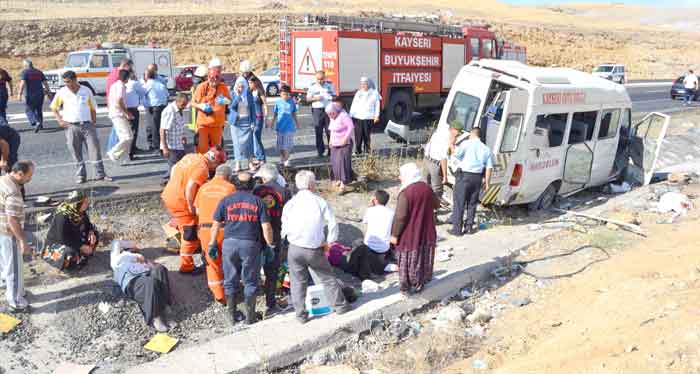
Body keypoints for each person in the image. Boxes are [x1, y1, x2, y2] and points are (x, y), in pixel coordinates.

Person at [281, 170, 351, 324]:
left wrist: (287, 240)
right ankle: (340, 306)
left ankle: (301, 315)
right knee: (327, 277)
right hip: (314, 248)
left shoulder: (290, 204)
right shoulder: (319, 201)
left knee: (298, 281)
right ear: (311, 185)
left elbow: (284, 227)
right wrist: (330, 242)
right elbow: (332, 223)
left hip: (294, 248)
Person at [209, 171, 274, 326]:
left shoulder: (225, 201)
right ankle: (250, 317)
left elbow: (216, 225)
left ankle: (231, 316)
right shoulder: (258, 202)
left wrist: (212, 243)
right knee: (250, 280)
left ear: (235, 184)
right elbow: (267, 227)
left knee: (230, 279)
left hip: (229, 244)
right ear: (252, 185)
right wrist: (270, 245)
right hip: (250, 245)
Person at [161, 146, 226, 273]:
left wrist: (175, 183)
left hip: (169, 195)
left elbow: (174, 168)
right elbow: (191, 187)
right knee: (190, 234)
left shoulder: (191, 156)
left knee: (184, 225)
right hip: (181, 201)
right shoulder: (202, 168)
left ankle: (184, 242)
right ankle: (187, 267)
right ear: (215, 161)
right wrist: (191, 206)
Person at [51, 71, 112, 184]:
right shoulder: (62, 92)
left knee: (95, 149)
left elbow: (93, 107)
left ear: (75, 80)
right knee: (75, 151)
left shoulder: (86, 90)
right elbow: (54, 107)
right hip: (71, 126)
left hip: (87, 125)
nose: (66, 84)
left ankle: (100, 174)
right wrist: (60, 120)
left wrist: (93, 122)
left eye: (68, 82)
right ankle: (81, 176)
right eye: (65, 82)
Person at [390, 163, 438, 296]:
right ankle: (420, 282)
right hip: (426, 231)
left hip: (410, 234)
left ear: (407, 175)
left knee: (408, 259)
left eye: (401, 175)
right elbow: (437, 204)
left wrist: (394, 235)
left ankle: (406, 288)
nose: (399, 178)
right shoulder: (426, 188)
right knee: (423, 257)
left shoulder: (405, 193)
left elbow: (400, 217)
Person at [252, 164, 291, 316]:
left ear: (264, 177)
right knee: (272, 270)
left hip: (257, 234)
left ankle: (253, 306)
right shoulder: (285, 191)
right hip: (276, 233)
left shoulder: (257, 190)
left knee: (253, 268)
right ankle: (270, 301)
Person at [194, 164, 235, 304]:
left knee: (212, 263)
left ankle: (220, 296)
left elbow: (197, 211)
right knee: (229, 261)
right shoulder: (230, 188)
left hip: (205, 231)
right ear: (228, 177)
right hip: (223, 230)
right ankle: (231, 290)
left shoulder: (203, 188)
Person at [111, 242, 173, 332]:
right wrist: (134, 253)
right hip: (132, 281)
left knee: (160, 269)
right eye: (130, 250)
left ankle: (165, 307)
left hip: (145, 274)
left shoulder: (139, 259)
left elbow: (153, 268)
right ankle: (155, 317)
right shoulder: (118, 260)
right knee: (149, 282)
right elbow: (116, 242)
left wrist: (146, 262)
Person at [0, 161, 34, 311]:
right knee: (14, 266)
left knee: (5, 263)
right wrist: (22, 241)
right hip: (8, 232)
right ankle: (15, 301)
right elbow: (12, 219)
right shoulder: (13, 191)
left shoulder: (3, 179)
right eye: (29, 175)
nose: (30, 179)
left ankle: (11, 287)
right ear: (20, 174)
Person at [449, 127, 493, 236]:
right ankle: (468, 228)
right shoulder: (486, 149)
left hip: (464, 176)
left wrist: (451, 144)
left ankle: (457, 230)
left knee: (459, 203)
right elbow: (489, 168)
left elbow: (456, 154)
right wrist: (487, 183)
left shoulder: (466, 144)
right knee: (472, 204)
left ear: (472, 134)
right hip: (477, 178)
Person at [42, 190, 99, 271]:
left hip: (74, 240)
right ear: (77, 204)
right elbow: (62, 238)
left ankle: (82, 255)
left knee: (95, 236)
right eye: (85, 202)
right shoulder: (62, 216)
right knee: (70, 254)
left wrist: (91, 232)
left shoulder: (79, 211)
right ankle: (70, 264)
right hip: (58, 244)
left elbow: (87, 224)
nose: (87, 204)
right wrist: (81, 246)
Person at [192, 59, 231, 154]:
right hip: (203, 125)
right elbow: (192, 103)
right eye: (212, 77)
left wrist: (225, 101)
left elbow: (229, 101)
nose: (214, 80)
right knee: (202, 149)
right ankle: (202, 167)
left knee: (216, 151)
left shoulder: (223, 87)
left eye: (216, 77)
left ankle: (214, 168)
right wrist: (201, 106)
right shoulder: (202, 87)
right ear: (208, 76)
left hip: (217, 125)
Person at [160, 93, 189, 185]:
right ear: (177, 102)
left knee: (180, 166)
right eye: (183, 104)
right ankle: (168, 182)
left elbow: (179, 124)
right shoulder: (169, 111)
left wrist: (183, 136)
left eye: (185, 104)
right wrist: (165, 148)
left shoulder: (179, 109)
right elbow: (162, 129)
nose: (184, 107)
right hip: (171, 145)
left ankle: (170, 181)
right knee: (174, 167)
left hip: (178, 144)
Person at [106, 69, 135, 164]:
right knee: (127, 137)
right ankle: (113, 152)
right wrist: (127, 113)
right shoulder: (121, 86)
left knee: (128, 135)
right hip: (118, 114)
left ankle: (124, 158)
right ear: (126, 78)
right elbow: (119, 101)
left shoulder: (114, 85)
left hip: (115, 113)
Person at [228, 80, 256, 172]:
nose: (240, 88)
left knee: (249, 144)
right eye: (238, 87)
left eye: (242, 87)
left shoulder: (248, 94)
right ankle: (238, 164)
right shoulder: (232, 94)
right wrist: (238, 96)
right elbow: (232, 106)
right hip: (236, 123)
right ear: (235, 86)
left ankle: (250, 162)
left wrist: (253, 121)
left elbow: (252, 108)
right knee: (237, 145)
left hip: (247, 121)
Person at [327, 103, 355, 193]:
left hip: (344, 143)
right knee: (335, 163)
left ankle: (343, 184)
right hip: (335, 143)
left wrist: (345, 139)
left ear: (336, 111)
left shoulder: (344, 115)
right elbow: (331, 130)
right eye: (328, 114)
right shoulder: (331, 117)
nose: (330, 116)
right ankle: (338, 179)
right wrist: (330, 141)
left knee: (342, 163)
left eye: (332, 113)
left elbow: (350, 127)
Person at [307, 71, 336, 157]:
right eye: (318, 79)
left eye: (322, 79)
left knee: (329, 131)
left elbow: (335, 96)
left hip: (328, 110)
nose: (320, 81)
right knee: (318, 131)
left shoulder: (329, 85)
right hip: (317, 110)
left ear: (325, 78)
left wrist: (330, 97)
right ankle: (320, 151)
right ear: (316, 79)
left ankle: (331, 151)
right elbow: (308, 99)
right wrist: (316, 98)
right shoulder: (312, 86)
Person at [349, 77, 381, 155]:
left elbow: (377, 105)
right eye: (362, 84)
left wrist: (376, 116)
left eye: (365, 84)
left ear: (369, 84)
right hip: (358, 117)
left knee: (367, 135)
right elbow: (354, 104)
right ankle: (358, 150)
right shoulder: (358, 93)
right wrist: (350, 115)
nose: (363, 86)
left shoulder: (374, 93)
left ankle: (367, 150)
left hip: (368, 117)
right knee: (358, 135)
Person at [17, 60, 49, 133]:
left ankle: (35, 121)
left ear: (25, 65)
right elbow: (45, 83)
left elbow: (22, 83)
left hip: (30, 95)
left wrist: (19, 94)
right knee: (38, 109)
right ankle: (40, 124)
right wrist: (48, 91)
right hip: (40, 94)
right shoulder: (39, 72)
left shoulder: (25, 72)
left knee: (29, 109)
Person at [269, 85, 298, 167]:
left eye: (287, 94)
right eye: (283, 94)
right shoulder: (278, 102)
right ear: (280, 94)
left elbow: (294, 113)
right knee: (280, 145)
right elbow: (275, 114)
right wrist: (272, 123)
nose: (285, 96)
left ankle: (286, 159)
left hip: (289, 127)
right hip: (280, 127)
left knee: (286, 145)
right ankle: (282, 158)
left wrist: (297, 123)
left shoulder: (291, 102)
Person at [143, 70, 169, 153]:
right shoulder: (160, 84)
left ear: (147, 76)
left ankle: (157, 147)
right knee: (163, 126)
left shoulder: (147, 85)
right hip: (163, 106)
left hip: (155, 107)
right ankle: (164, 144)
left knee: (155, 127)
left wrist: (146, 105)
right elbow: (167, 95)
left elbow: (143, 96)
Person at [423, 126, 450, 204]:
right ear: (452, 130)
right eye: (457, 134)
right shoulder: (446, 138)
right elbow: (443, 158)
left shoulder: (438, 132)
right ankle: (435, 208)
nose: (457, 136)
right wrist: (445, 176)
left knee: (425, 184)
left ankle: (425, 203)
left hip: (426, 159)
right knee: (437, 188)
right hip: (435, 164)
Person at [125, 71, 146, 159]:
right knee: (134, 130)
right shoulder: (135, 83)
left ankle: (131, 149)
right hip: (133, 109)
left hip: (125, 109)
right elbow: (143, 92)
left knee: (128, 130)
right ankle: (131, 151)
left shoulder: (125, 84)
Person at [249, 76, 268, 168]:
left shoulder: (259, 91)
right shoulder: (249, 92)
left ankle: (262, 158)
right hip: (251, 118)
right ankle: (257, 157)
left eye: (250, 83)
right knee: (252, 138)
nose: (249, 84)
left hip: (258, 117)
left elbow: (265, 104)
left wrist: (266, 117)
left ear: (255, 83)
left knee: (256, 137)